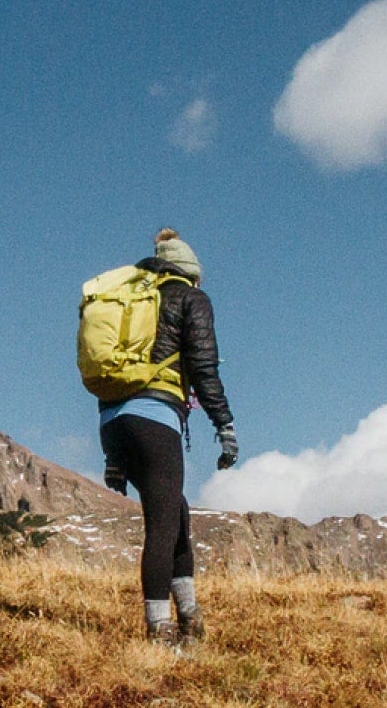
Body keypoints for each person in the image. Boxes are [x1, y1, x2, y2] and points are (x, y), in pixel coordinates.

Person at [98, 227, 236, 647]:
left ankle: (190, 616)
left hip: (113, 421)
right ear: (190, 274)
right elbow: (204, 367)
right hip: (154, 419)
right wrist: (224, 424)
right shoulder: (190, 299)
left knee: (176, 513)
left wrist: (115, 456)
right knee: (161, 525)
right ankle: (159, 632)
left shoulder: (131, 301)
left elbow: (112, 369)